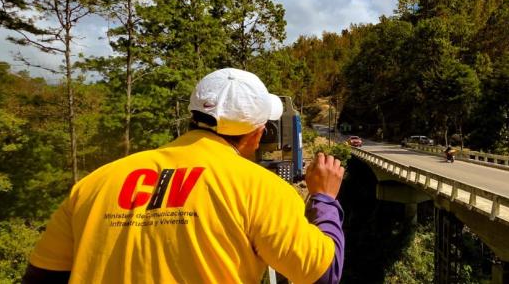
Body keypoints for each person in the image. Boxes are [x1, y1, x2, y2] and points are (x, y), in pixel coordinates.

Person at [22, 68, 345, 284]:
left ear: (194, 116)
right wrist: (325, 199)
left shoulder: (94, 183)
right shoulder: (262, 188)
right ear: (258, 133)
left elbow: (41, 276)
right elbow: (323, 274)